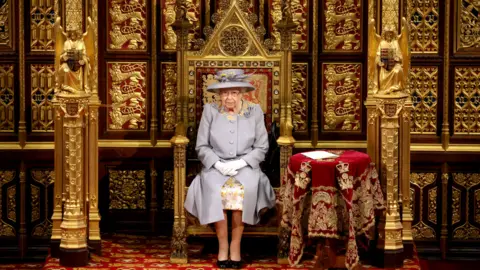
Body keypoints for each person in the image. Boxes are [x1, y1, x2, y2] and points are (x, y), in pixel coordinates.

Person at [184, 69, 276, 269]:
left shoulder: (254, 112)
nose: (229, 97)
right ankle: (222, 245)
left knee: (244, 190)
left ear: (242, 93)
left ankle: (235, 245)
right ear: (219, 94)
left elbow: (262, 147)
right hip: (215, 166)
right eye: (224, 93)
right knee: (215, 189)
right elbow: (201, 146)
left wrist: (241, 163)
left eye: (234, 93)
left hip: (246, 166)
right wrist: (217, 164)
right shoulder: (210, 111)